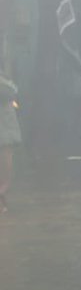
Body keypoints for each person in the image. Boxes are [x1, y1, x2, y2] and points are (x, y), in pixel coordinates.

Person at [0, 68, 19, 212]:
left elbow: (11, 91)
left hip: (5, 134)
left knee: (6, 164)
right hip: (5, 135)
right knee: (5, 165)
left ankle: (2, 199)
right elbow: (11, 90)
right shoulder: (5, 85)